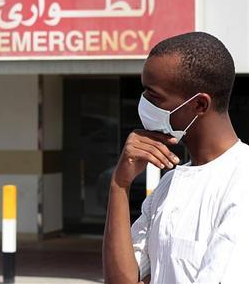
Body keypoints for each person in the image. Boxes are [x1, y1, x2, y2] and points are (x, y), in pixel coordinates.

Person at [102, 32, 249, 284]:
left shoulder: (241, 182)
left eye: (154, 96)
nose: (144, 104)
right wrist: (119, 185)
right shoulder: (168, 186)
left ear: (200, 105)